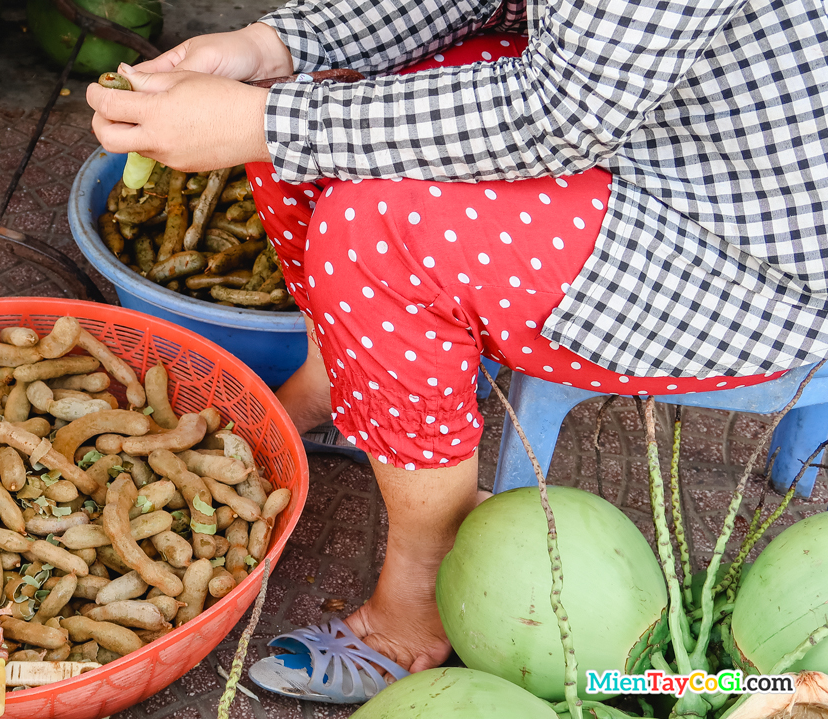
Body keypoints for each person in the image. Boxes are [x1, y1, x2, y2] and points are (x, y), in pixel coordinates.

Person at [87, 0, 828, 700]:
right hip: (654, 118)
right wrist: (268, 49)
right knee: (306, 87)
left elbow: (560, 111)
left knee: (378, 233)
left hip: (743, 234)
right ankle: (340, 375)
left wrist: (267, 120)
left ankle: (421, 590)